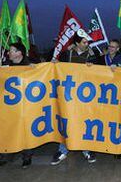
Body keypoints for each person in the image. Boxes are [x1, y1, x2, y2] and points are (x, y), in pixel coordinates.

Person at [51, 31, 97, 165]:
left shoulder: (92, 55)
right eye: (84, 42)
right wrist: (56, 63)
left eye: (87, 42)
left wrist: (94, 67)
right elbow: (57, 65)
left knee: (84, 122)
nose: (87, 44)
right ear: (77, 43)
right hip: (68, 94)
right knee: (67, 121)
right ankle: (63, 150)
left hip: (86, 95)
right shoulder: (67, 54)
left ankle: (86, 150)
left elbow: (101, 72)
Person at [0, 43, 33, 169]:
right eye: (9, 51)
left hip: (24, 105)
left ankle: (27, 157)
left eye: (12, 51)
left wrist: (34, 69)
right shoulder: (5, 66)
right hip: (7, 105)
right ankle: (5, 156)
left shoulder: (29, 65)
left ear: (20, 53)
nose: (9, 53)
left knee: (24, 130)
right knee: (7, 130)